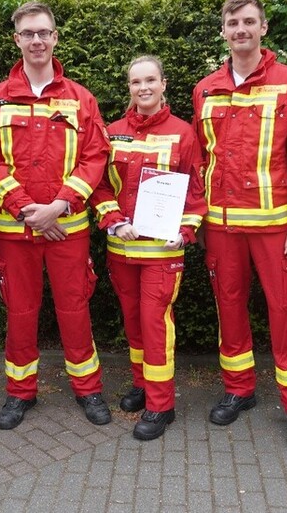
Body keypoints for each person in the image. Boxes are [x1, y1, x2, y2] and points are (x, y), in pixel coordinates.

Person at [191, 0, 287, 451]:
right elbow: (200, 159)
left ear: (263, 28)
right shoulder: (205, 88)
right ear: (225, 32)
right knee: (228, 308)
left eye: (249, 21)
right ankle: (238, 389)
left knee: (286, 313)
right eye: (233, 23)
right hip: (222, 226)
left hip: (275, 226)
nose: (241, 29)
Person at [0, 1, 112, 430]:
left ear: (55, 38)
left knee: (75, 310)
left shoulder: (80, 99)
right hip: (16, 232)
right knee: (20, 311)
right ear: (17, 39)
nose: (37, 40)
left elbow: (95, 156)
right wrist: (25, 209)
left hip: (67, 229)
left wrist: (60, 205)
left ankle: (88, 390)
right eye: (28, 33)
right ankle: (20, 392)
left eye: (43, 32)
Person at [90, 56, 207, 440]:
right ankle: (142, 384)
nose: (144, 87)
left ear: (163, 84)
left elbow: (196, 189)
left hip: (161, 253)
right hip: (122, 250)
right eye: (136, 81)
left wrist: (186, 231)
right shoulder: (113, 132)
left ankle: (161, 404)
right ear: (129, 87)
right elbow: (101, 186)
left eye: (151, 80)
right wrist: (113, 219)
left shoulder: (184, 133)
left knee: (156, 326)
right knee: (133, 323)